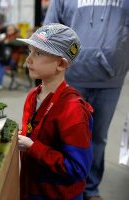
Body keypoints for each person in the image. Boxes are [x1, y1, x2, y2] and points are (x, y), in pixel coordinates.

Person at [43, 1, 129, 199]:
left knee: (98, 138)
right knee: (64, 135)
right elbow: (49, 29)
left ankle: (90, 188)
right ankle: (64, 185)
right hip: (72, 78)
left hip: (111, 80)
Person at [18, 23, 94, 200]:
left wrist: (32, 147)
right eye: (30, 51)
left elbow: (78, 169)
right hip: (31, 189)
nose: (28, 59)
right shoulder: (32, 96)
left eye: (38, 53)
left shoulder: (73, 110)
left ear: (61, 63)